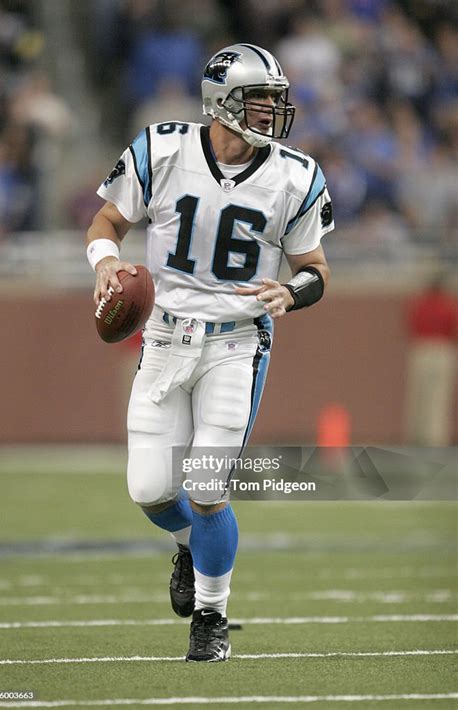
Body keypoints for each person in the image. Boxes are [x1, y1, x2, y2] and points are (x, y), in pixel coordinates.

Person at [86, 43, 334, 662]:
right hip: (166, 337)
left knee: (206, 487)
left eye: (275, 101)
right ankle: (191, 547)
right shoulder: (164, 148)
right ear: (222, 103)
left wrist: (292, 291)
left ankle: (211, 615)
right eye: (260, 100)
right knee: (148, 489)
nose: (273, 113)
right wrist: (107, 260)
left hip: (236, 342)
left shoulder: (295, 174)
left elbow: (316, 270)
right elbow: (106, 222)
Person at [404, 276, 457, 446]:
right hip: (441, 349)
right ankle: (434, 438)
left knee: (417, 396)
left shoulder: (419, 305)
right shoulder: (448, 305)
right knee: (437, 397)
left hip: (420, 349)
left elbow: (411, 325)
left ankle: (414, 435)